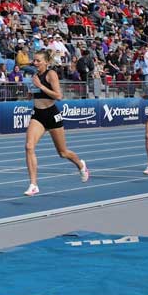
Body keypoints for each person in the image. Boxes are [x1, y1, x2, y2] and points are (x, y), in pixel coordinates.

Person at [24, 50, 88, 196]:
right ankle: (33, 184)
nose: (35, 63)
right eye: (34, 60)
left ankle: (80, 164)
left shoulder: (51, 74)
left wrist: (41, 86)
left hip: (52, 115)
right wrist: (29, 92)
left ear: (46, 62)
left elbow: (59, 96)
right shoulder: (35, 77)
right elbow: (32, 95)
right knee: (29, 147)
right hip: (38, 115)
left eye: (38, 60)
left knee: (63, 153)